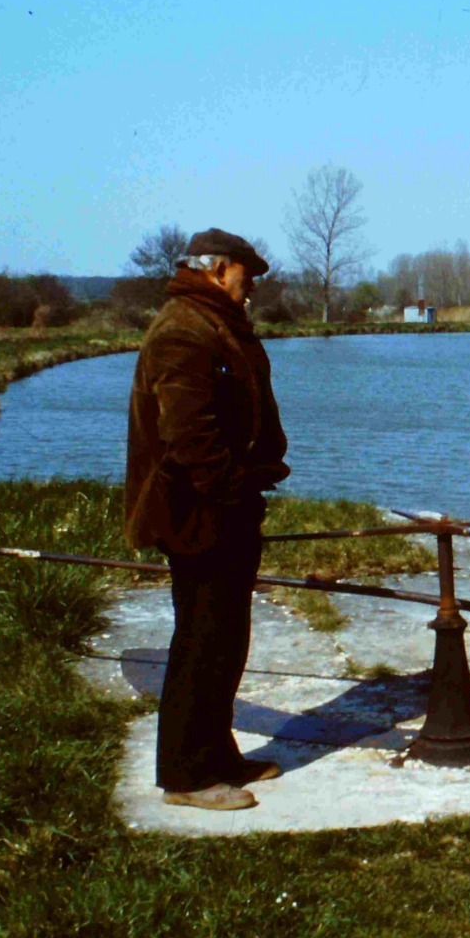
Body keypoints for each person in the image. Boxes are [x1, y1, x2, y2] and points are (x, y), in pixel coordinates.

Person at [124, 228, 290, 810]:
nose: (253, 289)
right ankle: (187, 777)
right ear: (220, 270)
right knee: (200, 641)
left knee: (224, 639)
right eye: (247, 277)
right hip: (197, 513)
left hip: (222, 507)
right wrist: (229, 495)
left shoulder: (212, 320)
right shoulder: (183, 329)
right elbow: (188, 436)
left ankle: (217, 754)